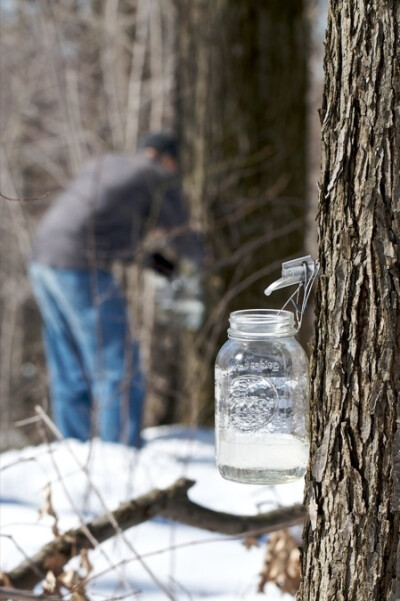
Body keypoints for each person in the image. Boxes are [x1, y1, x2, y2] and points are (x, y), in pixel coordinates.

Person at [29, 131, 205, 447]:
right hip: (81, 266)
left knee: (68, 366)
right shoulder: (157, 176)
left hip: (42, 258)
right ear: (167, 159)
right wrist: (205, 261)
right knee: (117, 365)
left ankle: (73, 446)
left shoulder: (106, 164)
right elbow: (181, 234)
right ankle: (119, 451)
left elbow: (102, 228)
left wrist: (155, 262)